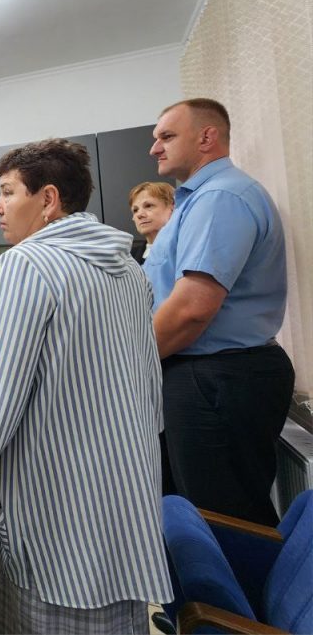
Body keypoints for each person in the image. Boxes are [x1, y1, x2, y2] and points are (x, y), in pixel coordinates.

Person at [0, 139, 171, 633]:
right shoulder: (128, 270)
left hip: (55, 506)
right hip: (122, 497)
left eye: (7, 192)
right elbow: (149, 383)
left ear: (47, 199)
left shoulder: (27, 264)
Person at [145, 98, 293, 526]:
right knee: (195, 517)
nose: (154, 148)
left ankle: (242, 577)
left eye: (166, 136)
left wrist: (126, 361)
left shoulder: (221, 197)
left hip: (217, 375)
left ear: (207, 137)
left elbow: (191, 310)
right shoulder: (196, 201)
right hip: (205, 374)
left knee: (224, 521)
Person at [127, 181, 175, 264]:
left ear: (172, 208)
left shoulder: (185, 250)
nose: (139, 215)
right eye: (135, 210)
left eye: (148, 206)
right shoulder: (127, 257)